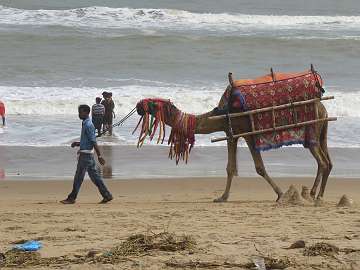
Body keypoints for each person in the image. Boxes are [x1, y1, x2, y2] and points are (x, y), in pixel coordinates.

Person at [60, 105, 113, 204]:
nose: (79, 114)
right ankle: (107, 195)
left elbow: (93, 142)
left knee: (78, 177)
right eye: (79, 112)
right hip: (87, 154)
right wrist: (78, 144)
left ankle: (72, 198)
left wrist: (100, 156)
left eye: (80, 112)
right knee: (95, 177)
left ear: (86, 113)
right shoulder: (85, 123)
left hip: (86, 156)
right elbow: (88, 140)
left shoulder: (88, 125)